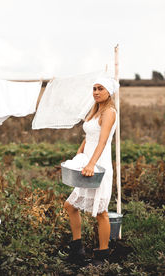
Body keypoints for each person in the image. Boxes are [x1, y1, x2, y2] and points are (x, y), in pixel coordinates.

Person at [64, 77, 119, 266]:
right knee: (70, 206)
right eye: (94, 88)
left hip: (99, 163)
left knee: (100, 212)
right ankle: (77, 249)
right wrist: (79, 154)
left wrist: (91, 164)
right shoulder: (95, 111)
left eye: (100, 89)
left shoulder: (110, 112)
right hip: (87, 161)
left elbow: (102, 141)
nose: (96, 92)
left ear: (109, 92)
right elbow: (89, 137)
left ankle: (103, 255)